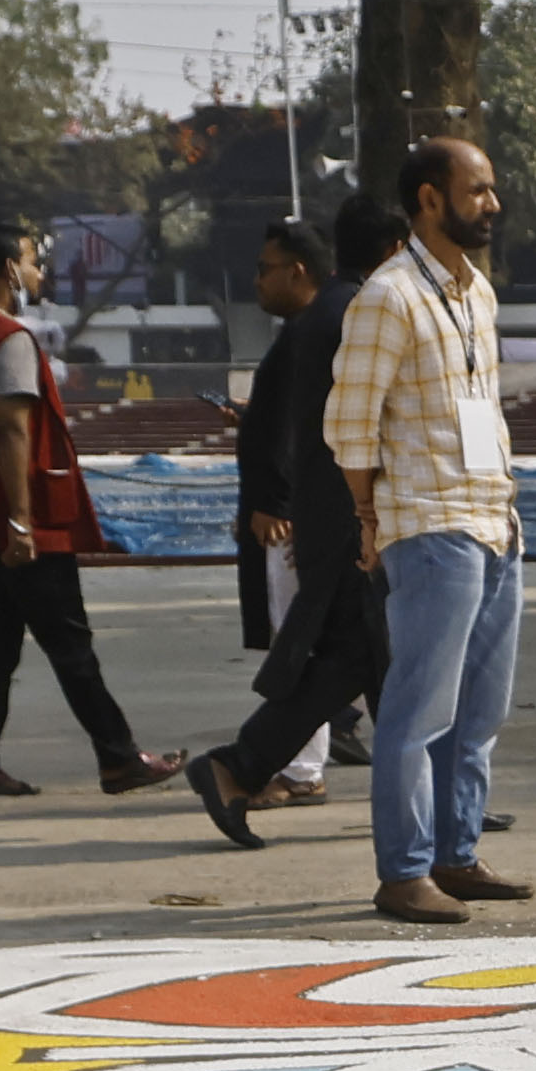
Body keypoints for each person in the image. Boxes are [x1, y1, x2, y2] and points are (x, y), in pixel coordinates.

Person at [325, 139, 534, 924]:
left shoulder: (475, 291)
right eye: (476, 190)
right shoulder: (388, 296)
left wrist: (507, 512)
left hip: (492, 518)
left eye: (490, 189)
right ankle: (403, 869)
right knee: (417, 710)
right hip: (430, 521)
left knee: (479, 710)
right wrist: (370, 515)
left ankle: (456, 852)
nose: (492, 203)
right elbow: (349, 424)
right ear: (427, 199)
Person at [0, 223, 184, 799]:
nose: (38, 272)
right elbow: (12, 430)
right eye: (30, 261)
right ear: (6, 269)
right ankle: (120, 758)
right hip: (28, 524)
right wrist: (21, 522)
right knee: (70, 645)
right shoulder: (8, 339)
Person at [189, 194, 404, 847]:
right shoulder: (351, 318)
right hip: (349, 523)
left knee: (364, 664)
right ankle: (436, 799)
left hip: (332, 518)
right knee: (371, 661)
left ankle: (243, 765)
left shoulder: (319, 321)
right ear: (396, 249)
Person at [231, 216, 336, 807]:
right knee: (302, 641)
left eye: (266, 269)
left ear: (298, 272)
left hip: (289, 520)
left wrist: (276, 502)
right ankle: (303, 761)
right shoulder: (299, 335)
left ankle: (300, 768)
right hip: (291, 511)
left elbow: (309, 431)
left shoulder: (309, 334)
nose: (258, 281)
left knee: (299, 644)